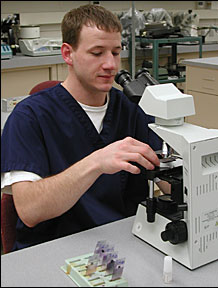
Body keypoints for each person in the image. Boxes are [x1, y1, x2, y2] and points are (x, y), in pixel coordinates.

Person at [1, 4, 170, 251]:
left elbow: (169, 176)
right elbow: (30, 211)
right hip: (53, 249)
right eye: (97, 53)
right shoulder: (30, 117)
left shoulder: (132, 109)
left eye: (115, 52)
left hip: (125, 243)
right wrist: (96, 162)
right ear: (68, 54)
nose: (110, 64)